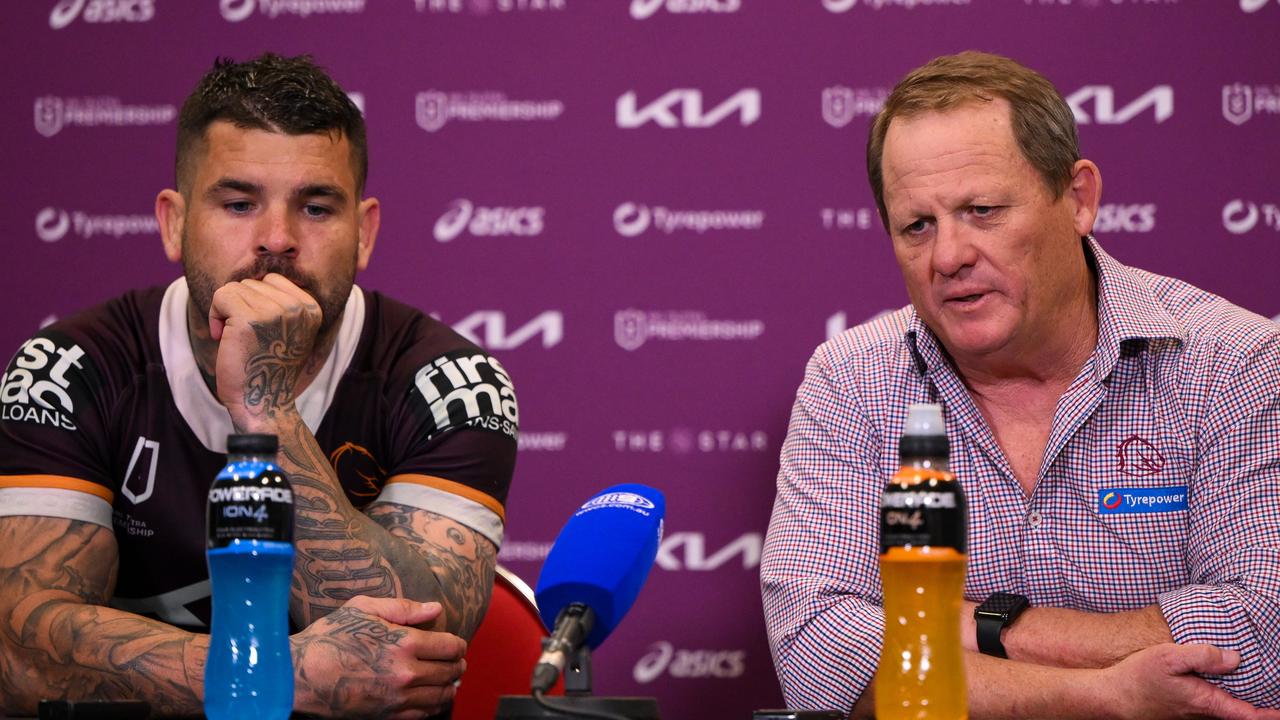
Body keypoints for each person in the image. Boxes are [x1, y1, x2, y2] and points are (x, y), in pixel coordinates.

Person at [761, 51, 1280, 719]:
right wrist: (1101, 697)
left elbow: (1263, 631)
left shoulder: (1231, 362)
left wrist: (966, 625)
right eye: (917, 226)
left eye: (981, 210)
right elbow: (817, 654)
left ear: (1077, 199)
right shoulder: (851, 380)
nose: (948, 256)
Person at [0, 53, 519, 718]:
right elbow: (19, 656)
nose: (277, 239)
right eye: (239, 203)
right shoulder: (69, 370)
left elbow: (412, 647)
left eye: (317, 207)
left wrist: (265, 406)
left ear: (364, 234)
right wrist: (274, 676)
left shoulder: (449, 384)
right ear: (173, 223)